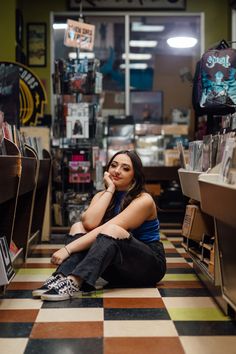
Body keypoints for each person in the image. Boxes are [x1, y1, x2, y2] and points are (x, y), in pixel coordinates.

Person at [33, 150, 166, 301]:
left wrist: (67, 249)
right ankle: (61, 276)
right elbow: (89, 223)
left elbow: (108, 228)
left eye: (125, 168)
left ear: (135, 176)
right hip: (117, 269)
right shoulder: (102, 196)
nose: (117, 171)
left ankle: (75, 281)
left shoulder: (144, 200)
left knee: (112, 229)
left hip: (147, 268)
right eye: (114, 166)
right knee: (78, 227)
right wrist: (110, 190)